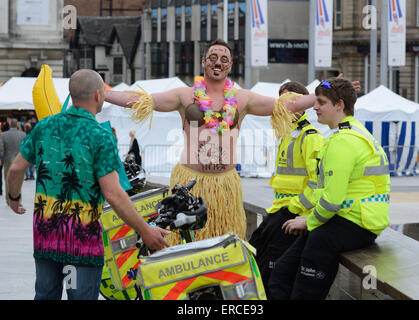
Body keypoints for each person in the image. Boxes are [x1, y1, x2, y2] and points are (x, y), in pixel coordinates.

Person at [104, 39, 319, 245]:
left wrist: (326, 89)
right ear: (203, 62)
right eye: (213, 57)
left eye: (224, 59)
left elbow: (288, 105)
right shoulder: (184, 95)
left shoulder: (243, 99)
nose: (218, 62)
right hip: (189, 185)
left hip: (225, 188)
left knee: (225, 248)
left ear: (230, 65)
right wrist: (102, 94)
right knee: (183, 247)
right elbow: (143, 101)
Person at [6, 69, 170, 300]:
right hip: (81, 242)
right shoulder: (99, 136)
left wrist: (13, 198)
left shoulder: (45, 126)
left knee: (44, 295)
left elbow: (15, 168)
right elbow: (113, 194)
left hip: (46, 236)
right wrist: (145, 230)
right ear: (97, 95)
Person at [268, 77, 391, 300]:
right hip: (349, 219)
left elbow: (332, 199)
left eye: (322, 102)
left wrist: (309, 221)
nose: (314, 106)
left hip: (357, 221)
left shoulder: (344, 141)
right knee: (281, 274)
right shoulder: (349, 133)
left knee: (302, 287)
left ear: (339, 104)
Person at [248, 81, 326, 297]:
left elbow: (318, 182)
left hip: (291, 217)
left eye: (290, 101)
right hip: (278, 213)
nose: (284, 107)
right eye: (280, 102)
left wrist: (297, 210)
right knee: (255, 263)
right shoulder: (287, 135)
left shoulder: (310, 137)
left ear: (303, 105)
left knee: (274, 279)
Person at [0, 117, 26, 205]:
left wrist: (1, 158)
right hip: (20, 160)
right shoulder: (23, 134)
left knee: (8, 180)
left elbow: (1, 148)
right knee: (19, 180)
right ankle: (18, 200)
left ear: (10, 125)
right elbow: (24, 148)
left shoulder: (4, 135)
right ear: (17, 125)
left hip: (8, 159)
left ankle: (8, 200)